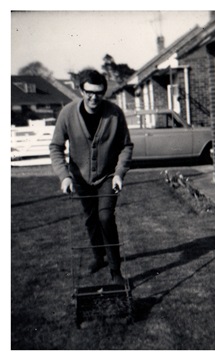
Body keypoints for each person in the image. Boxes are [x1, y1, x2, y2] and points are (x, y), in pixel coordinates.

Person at [49, 69, 133, 285]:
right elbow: (56, 147)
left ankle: (116, 272)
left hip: (107, 176)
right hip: (79, 178)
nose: (93, 97)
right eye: (89, 92)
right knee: (91, 220)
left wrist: (119, 174)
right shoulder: (67, 114)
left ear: (104, 92)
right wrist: (64, 177)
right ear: (81, 90)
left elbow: (126, 146)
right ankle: (99, 257)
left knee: (105, 217)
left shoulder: (114, 114)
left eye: (98, 93)